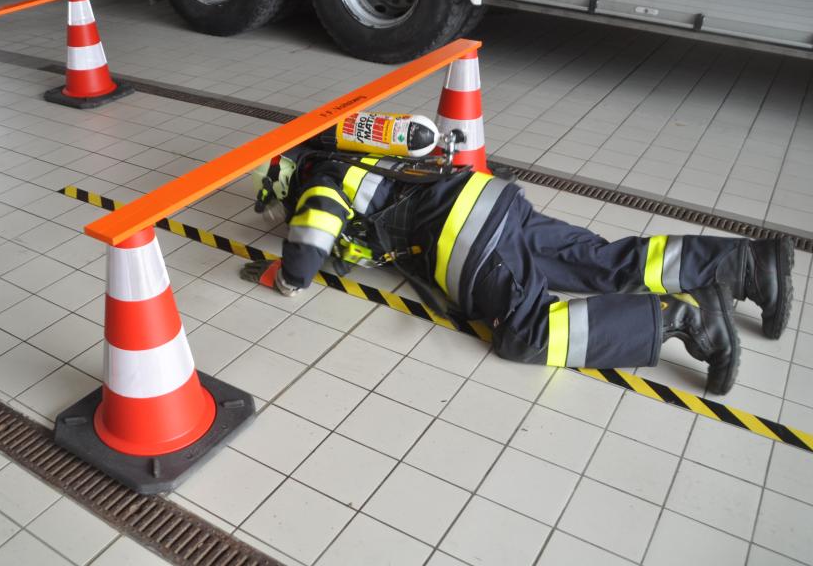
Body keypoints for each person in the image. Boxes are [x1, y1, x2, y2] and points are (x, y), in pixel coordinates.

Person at [241, 148, 794, 395]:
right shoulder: (352, 151)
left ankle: (685, 319)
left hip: (466, 241)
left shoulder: (320, 178)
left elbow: (312, 236)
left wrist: (286, 278)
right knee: (606, 261)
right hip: (494, 204)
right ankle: (748, 264)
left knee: (526, 334)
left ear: (285, 182)